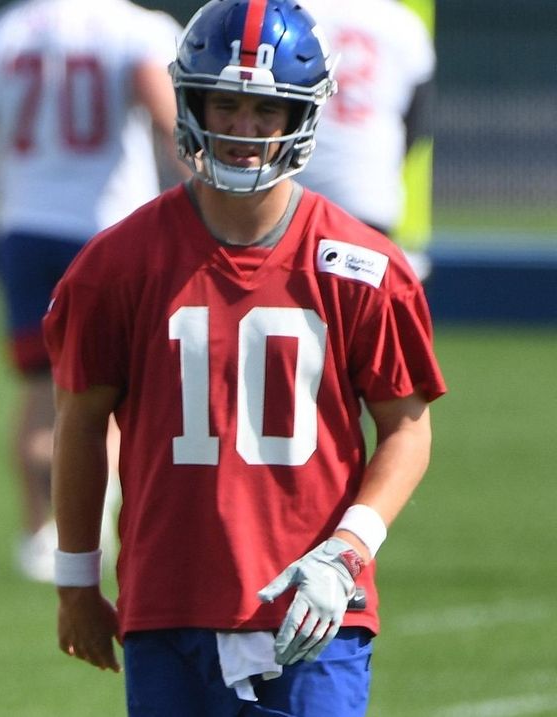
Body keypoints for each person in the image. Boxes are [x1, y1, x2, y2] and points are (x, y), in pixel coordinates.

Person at [44, 0, 446, 713]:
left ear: (301, 117)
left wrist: (350, 547)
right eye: (225, 104)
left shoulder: (359, 264)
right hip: (169, 600)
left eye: (266, 109)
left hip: (317, 604)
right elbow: (80, 422)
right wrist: (76, 580)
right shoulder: (118, 263)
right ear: (192, 102)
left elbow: (408, 428)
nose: (243, 128)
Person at [0, 0, 183, 582]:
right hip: (109, 231)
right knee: (111, 390)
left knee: (41, 389)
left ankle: (36, 533)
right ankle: (92, 524)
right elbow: (168, 121)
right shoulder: (136, 28)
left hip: (22, 229)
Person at [295, 0, 436, 280]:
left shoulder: (286, 12)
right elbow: (416, 125)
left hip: (290, 207)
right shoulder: (404, 24)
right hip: (369, 206)